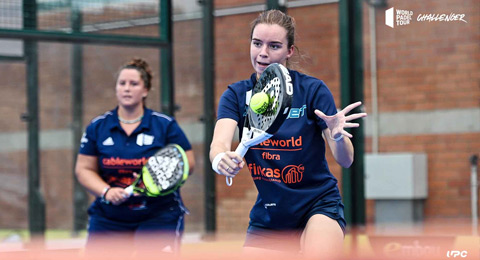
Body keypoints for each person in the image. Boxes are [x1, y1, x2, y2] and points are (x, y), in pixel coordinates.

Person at [209, 10, 366, 259]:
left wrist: (337, 136)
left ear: (289, 51)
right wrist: (220, 160)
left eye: (274, 46)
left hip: (318, 204)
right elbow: (219, 143)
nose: (263, 53)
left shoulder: (313, 90)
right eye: (257, 43)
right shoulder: (236, 95)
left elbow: (346, 160)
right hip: (271, 211)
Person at [75, 58, 195, 255]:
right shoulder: (98, 126)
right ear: (116, 89)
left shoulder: (165, 125)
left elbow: (187, 162)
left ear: (145, 90)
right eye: (122, 83)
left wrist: (154, 185)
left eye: (134, 84)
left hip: (159, 215)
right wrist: (106, 192)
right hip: (109, 218)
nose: (127, 89)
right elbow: (83, 169)